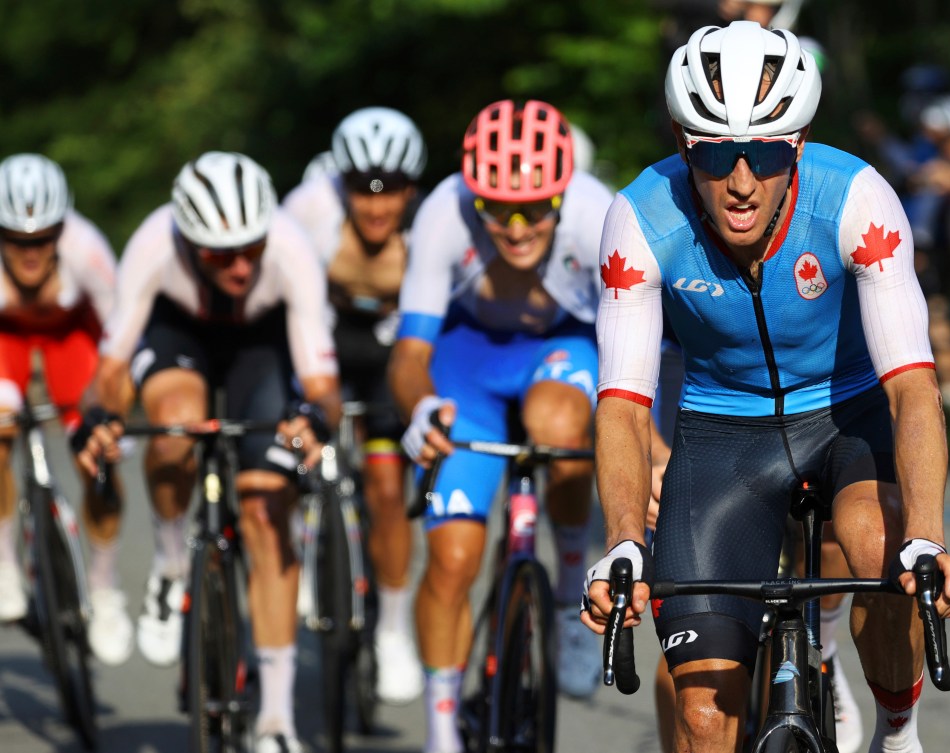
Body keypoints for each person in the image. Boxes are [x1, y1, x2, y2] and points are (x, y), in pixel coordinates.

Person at [581, 23, 950, 753]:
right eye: (713, 152)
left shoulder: (855, 198)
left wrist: (927, 536)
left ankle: (897, 729)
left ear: (797, 143)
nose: (739, 180)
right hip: (721, 430)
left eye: (763, 153)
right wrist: (623, 541)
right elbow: (625, 403)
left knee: (876, 543)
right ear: (679, 142)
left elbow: (913, 388)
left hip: (849, 413)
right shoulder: (640, 218)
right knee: (701, 715)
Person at [74, 151, 339, 753]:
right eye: (222, 255)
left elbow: (321, 383)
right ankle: (171, 568)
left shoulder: (292, 251)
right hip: (178, 332)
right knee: (175, 428)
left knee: (269, 508)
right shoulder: (153, 243)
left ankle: (275, 719)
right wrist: (97, 418)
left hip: (262, 345)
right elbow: (110, 371)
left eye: (252, 248)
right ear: (190, 242)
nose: (242, 266)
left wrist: (310, 418)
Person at [389, 99, 613, 753]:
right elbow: (409, 354)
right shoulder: (441, 211)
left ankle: (571, 586)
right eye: (497, 209)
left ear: (563, 195)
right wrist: (422, 408)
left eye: (536, 208)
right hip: (469, 368)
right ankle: (441, 729)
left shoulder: (597, 214)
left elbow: (637, 348)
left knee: (558, 422)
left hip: (558, 354)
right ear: (474, 198)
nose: (516, 228)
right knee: (453, 558)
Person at [282, 106, 427, 705]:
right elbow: (286, 303)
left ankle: (392, 627)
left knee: (390, 490)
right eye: (361, 193)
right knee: (294, 443)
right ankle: (300, 531)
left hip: (390, 350)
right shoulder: (308, 211)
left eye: (390, 192)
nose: (375, 207)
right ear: (339, 186)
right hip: (327, 336)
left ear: (411, 189)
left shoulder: (429, 224)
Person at [0, 153, 134, 666]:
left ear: (63, 228)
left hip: (72, 339)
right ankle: (7, 562)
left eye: (43, 238)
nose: (31, 252)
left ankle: (104, 588)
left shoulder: (87, 250)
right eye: (15, 240)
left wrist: (108, 413)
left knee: (100, 456)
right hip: (6, 342)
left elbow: (120, 335)